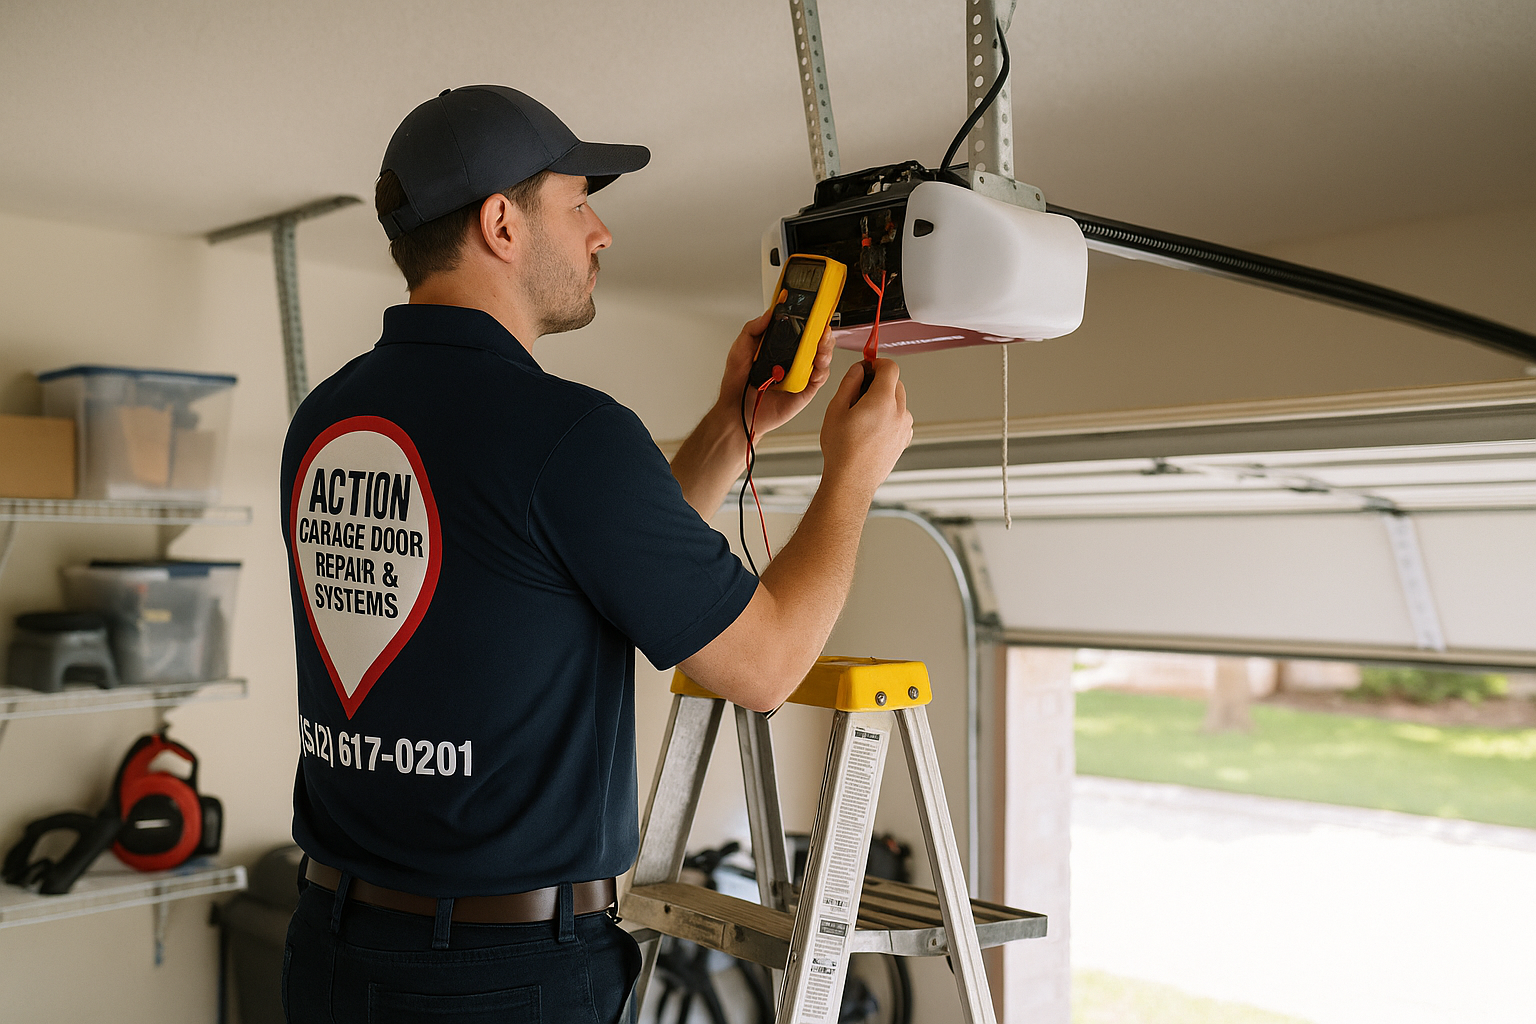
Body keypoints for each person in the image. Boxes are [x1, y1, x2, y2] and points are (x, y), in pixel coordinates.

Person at [279, 85, 912, 1023]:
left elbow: (579, 563)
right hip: (501, 980)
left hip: (332, 953)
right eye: (578, 202)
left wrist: (737, 427)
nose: (601, 232)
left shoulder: (329, 416)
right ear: (501, 222)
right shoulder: (564, 432)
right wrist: (854, 473)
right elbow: (766, 667)